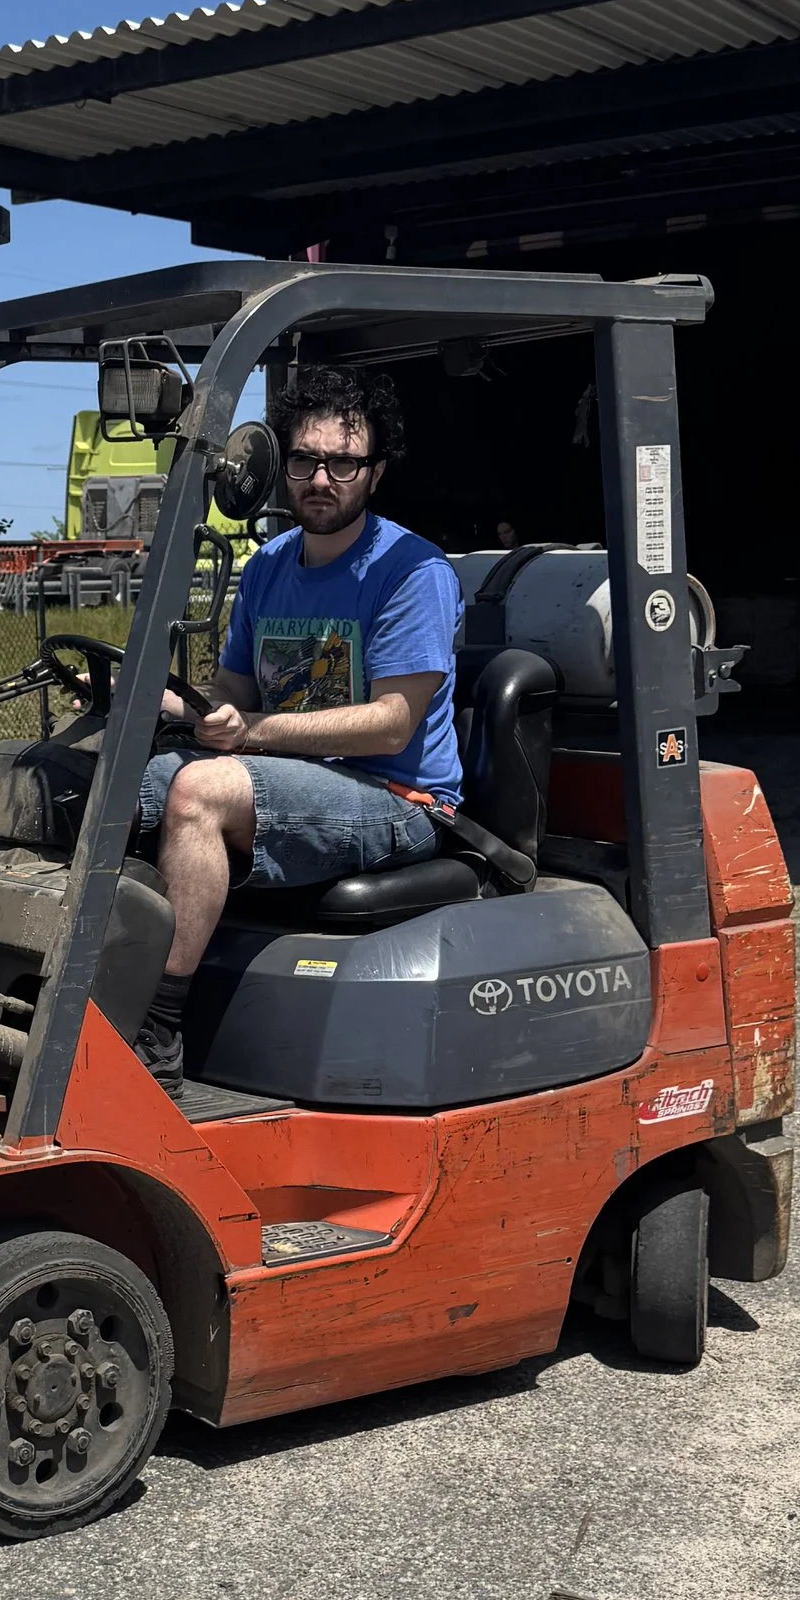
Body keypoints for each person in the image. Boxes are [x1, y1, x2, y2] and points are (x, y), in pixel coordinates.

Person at [132, 364, 462, 1092]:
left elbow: (391, 725)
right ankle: (89, 986)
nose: (322, 477)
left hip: (396, 797)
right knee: (121, 779)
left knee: (197, 794)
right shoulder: (269, 566)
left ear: (374, 473)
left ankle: (155, 1030)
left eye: (343, 462)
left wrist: (246, 732)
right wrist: (180, 708)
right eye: (307, 459)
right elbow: (234, 694)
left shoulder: (411, 571)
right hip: (301, 777)